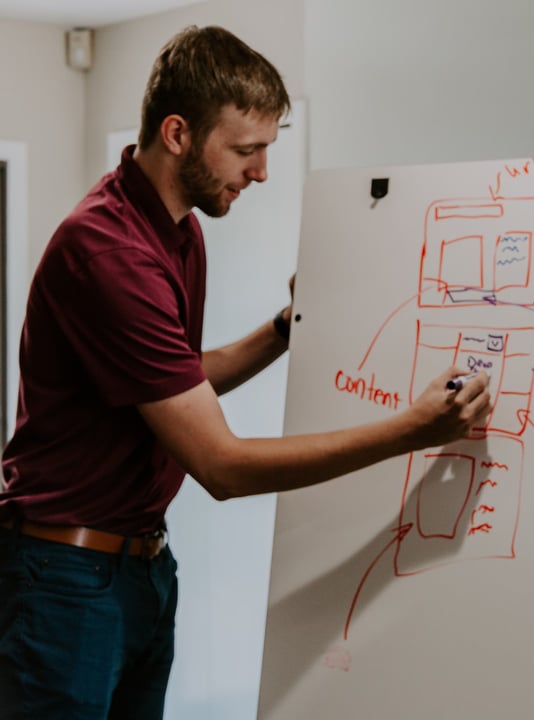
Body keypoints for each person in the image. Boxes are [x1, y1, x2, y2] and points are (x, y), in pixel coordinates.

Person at [0, 25, 490, 719]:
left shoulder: (176, 230)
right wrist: (413, 430)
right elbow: (221, 466)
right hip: (65, 580)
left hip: (137, 570)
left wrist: (286, 330)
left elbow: (173, 379)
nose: (260, 171)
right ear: (176, 133)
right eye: (246, 149)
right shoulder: (107, 252)